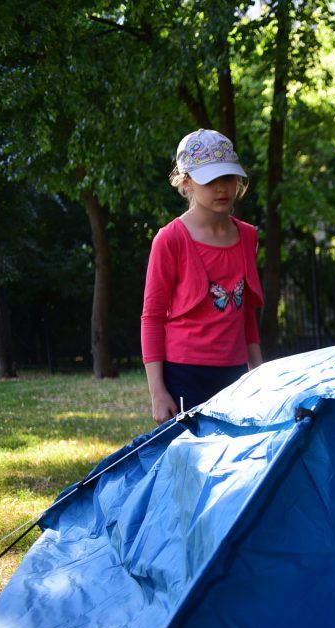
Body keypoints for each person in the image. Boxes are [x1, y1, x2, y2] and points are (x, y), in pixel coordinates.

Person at [141, 129, 264, 424]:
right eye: (210, 180)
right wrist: (158, 391)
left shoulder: (247, 236)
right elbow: (152, 317)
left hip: (236, 375)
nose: (222, 188)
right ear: (186, 183)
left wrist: (259, 372)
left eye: (228, 177)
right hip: (185, 374)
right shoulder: (170, 240)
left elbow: (245, 311)